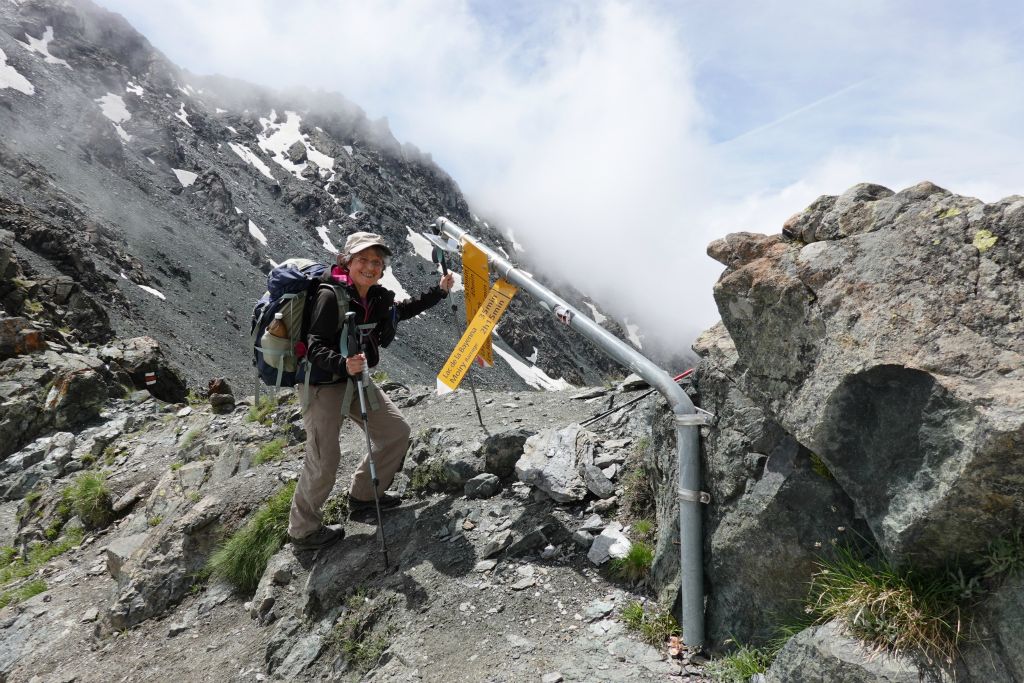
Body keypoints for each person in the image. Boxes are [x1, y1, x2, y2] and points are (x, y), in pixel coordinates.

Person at [287, 231, 454, 550]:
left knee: (395, 432)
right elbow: (313, 345)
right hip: (322, 382)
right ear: (347, 261)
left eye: (376, 261)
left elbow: (400, 312)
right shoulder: (328, 295)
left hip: (354, 376)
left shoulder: (375, 297)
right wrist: (342, 363)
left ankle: (363, 496)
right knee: (325, 459)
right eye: (363, 259)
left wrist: (439, 292)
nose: (370, 266)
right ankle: (303, 531)